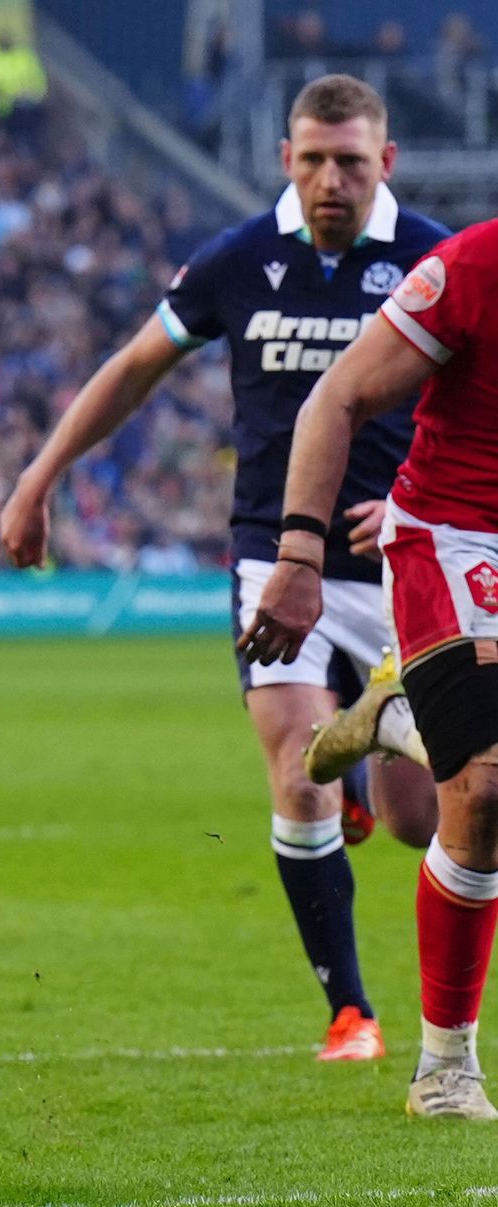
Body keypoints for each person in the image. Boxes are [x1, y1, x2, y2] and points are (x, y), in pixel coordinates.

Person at [0, 75, 442, 1063]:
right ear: (284, 156)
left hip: (399, 559)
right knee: (295, 774)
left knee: (423, 820)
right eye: (314, 159)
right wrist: (39, 476)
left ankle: (371, 748)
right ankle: (350, 1011)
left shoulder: (430, 261)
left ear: (386, 164)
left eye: (351, 163)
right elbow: (130, 369)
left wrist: (423, 499)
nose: (331, 180)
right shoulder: (236, 261)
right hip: (268, 561)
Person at [240, 214, 498, 1119]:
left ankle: (401, 721)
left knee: (423, 815)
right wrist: (300, 554)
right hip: (456, 533)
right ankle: (446, 1069)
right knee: (487, 791)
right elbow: (335, 398)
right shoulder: (471, 265)